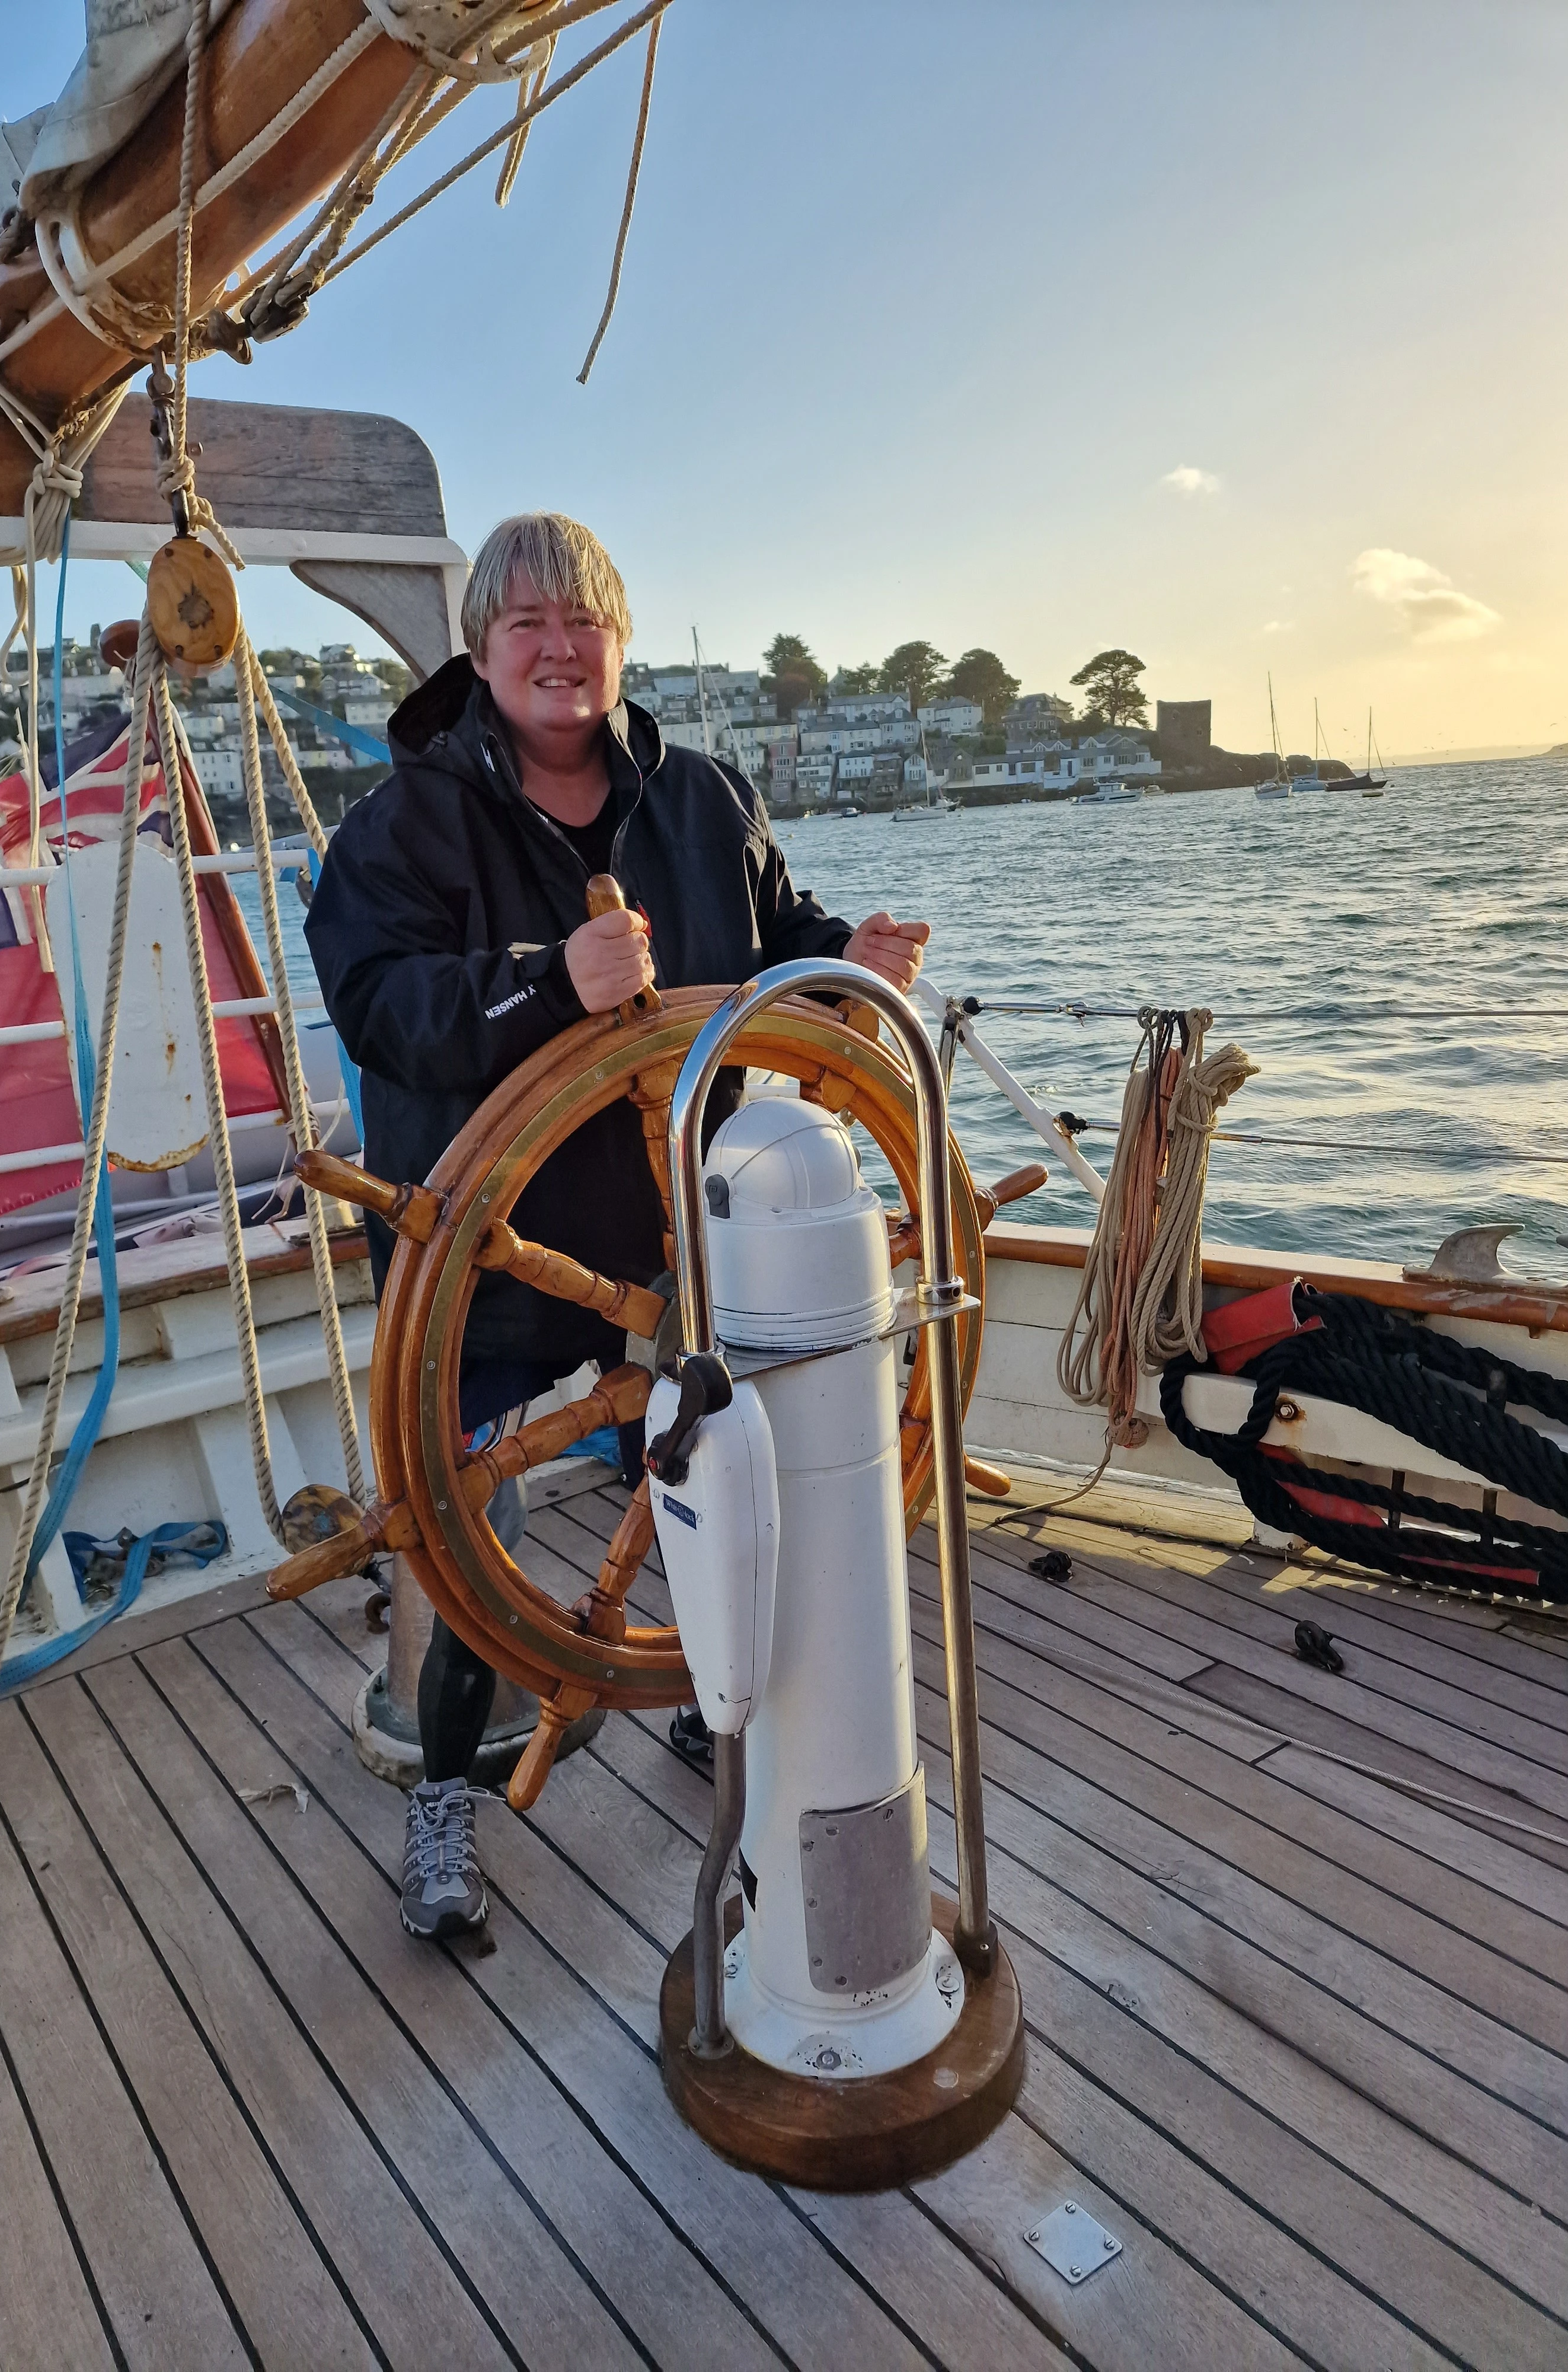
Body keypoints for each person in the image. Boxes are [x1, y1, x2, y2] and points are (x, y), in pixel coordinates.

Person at [305, 514, 930, 1941]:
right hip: (490, 1253)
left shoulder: (704, 802)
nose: (557, 646)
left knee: (727, 1472)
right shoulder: (405, 822)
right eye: (525, 621)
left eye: (582, 618)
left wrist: (853, 967)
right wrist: (546, 985)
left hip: (681, 1243)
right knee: (469, 1534)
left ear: (619, 641)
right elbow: (377, 1005)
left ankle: (713, 1703)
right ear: (479, 648)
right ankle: (446, 1792)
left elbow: (782, 949)